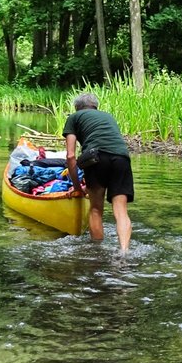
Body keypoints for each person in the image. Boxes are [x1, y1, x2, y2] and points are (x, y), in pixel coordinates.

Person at [64, 92, 134, 252]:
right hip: (122, 158)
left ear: (77, 107)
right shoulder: (108, 116)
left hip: (96, 158)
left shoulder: (74, 117)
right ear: (96, 106)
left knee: (96, 209)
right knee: (121, 210)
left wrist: (76, 187)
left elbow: (70, 155)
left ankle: (98, 253)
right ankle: (124, 252)